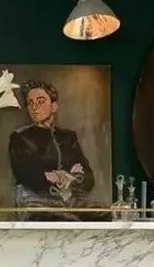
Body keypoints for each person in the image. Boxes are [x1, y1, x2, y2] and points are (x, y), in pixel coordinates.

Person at [8, 80, 95, 220]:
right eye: (30, 103)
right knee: (70, 221)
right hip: (35, 203)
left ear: (54, 106)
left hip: (69, 202)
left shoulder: (68, 137)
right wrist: (60, 176)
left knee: (104, 216)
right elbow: (26, 174)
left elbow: (88, 176)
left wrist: (70, 178)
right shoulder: (20, 137)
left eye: (40, 101)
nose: (34, 107)